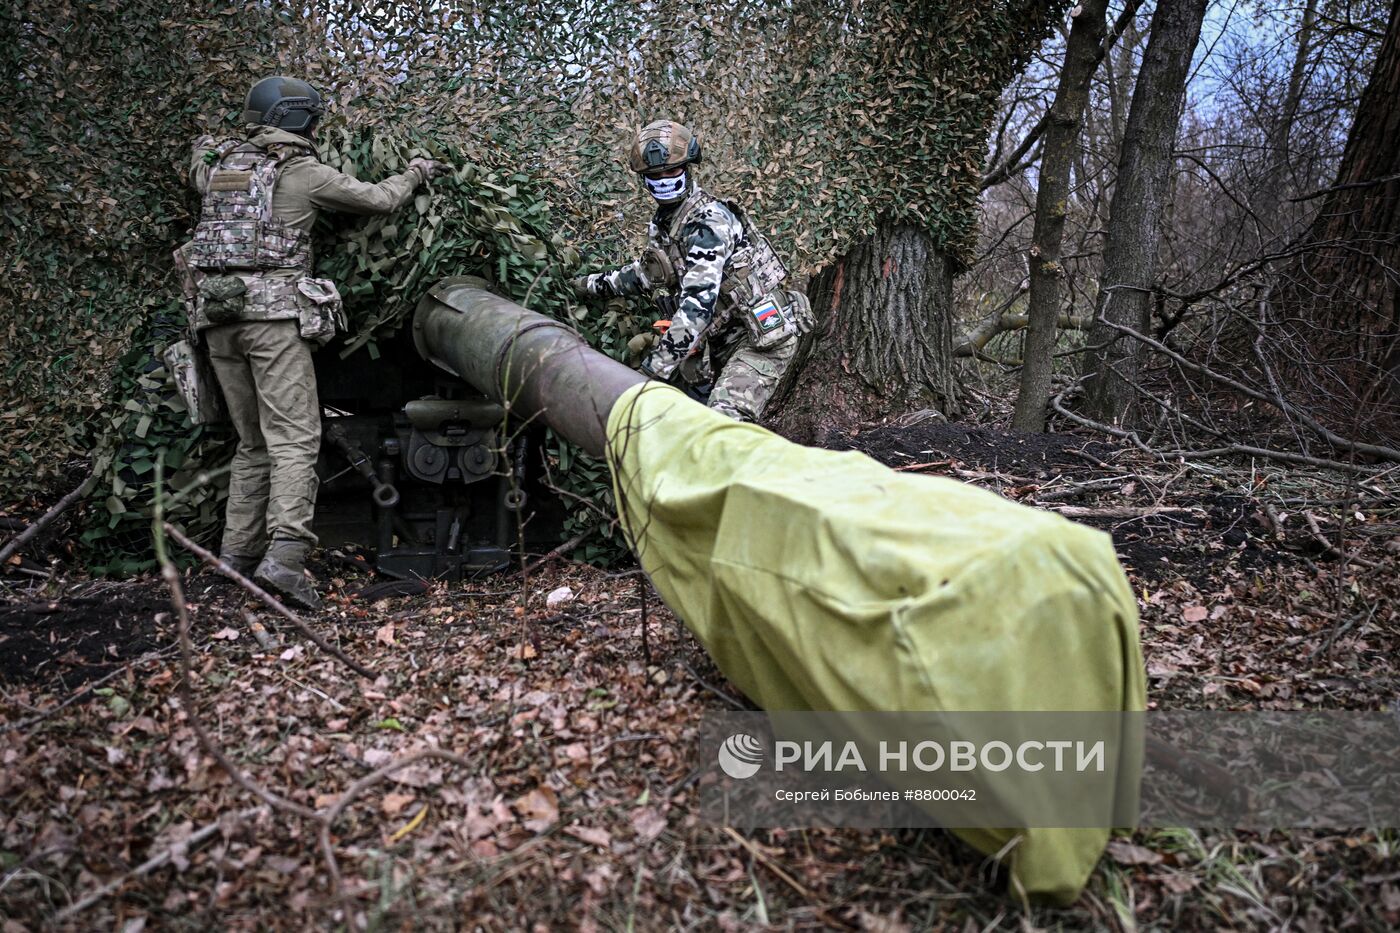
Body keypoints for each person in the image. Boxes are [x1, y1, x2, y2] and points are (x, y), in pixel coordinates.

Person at [178, 76, 447, 609]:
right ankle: (285, 560)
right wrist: (417, 171)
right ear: (300, 120)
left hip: (215, 322)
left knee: (252, 442)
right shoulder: (303, 173)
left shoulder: (217, 172)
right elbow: (379, 200)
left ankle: (234, 559)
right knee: (295, 440)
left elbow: (197, 157)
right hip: (273, 322)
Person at [572, 120, 809, 422]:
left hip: (760, 341)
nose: (664, 179)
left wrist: (651, 375)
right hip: (716, 342)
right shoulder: (666, 224)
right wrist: (584, 286)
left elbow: (697, 308)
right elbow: (643, 275)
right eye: (655, 175)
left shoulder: (709, 223)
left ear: (688, 167)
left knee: (723, 421)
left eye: (672, 171)